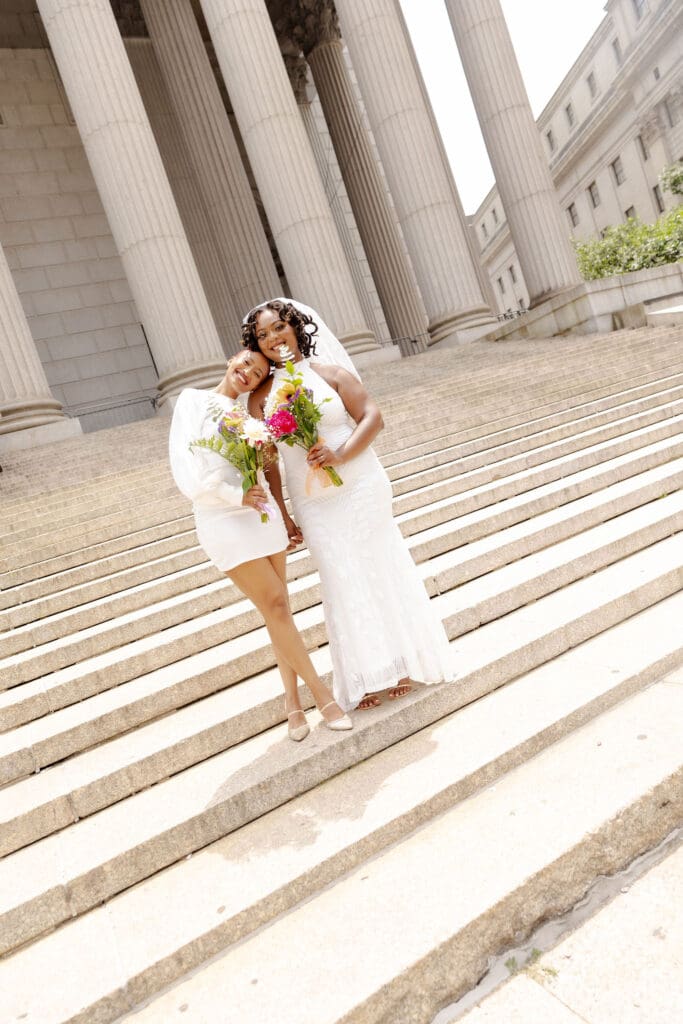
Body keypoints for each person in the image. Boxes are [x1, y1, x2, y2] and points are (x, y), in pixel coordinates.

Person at [242, 299, 454, 712]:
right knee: (340, 577)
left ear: (296, 327)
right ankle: (364, 673)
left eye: (278, 328)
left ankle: (404, 663)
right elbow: (268, 462)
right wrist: (282, 513)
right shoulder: (260, 398)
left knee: (378, 565)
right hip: (312, 500)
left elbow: (372, 415)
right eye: (262, 335)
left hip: (360, 483)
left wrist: (340, 455)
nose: (272, 339)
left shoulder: (331, 374)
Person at [168, 347, 352, 739]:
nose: (247, 373)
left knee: (277, 608)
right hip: (222, 516)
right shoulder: (191, 402)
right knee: (276, 604)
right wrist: (235, 496)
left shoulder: (252, 416)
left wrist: (282, 515)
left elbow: (268, 467)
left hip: (262, 514)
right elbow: (187, 469)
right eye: (245, 363)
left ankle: (292, 704)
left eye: (257, 372)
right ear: (231, 361)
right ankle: (322, 696)